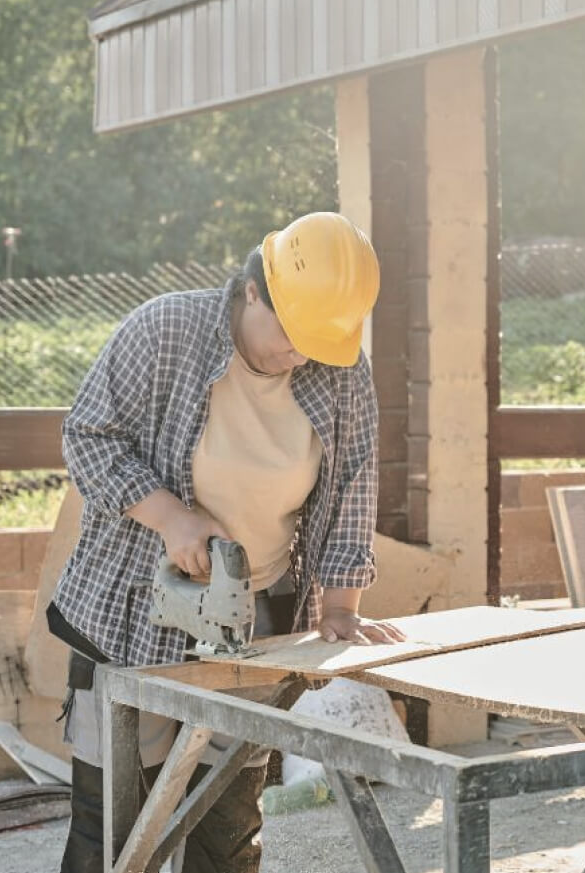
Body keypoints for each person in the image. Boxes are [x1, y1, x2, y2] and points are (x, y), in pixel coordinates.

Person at [49, 211, 407, 873]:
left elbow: (354, 483)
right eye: (292, 335)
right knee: (115, 834)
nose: (300, 355)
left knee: (229, 829)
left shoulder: (341, 370)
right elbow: (87, 438)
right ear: (253, 290)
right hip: (130, 612)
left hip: (253, 619)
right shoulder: (164, 331)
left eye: (317, 343)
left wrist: (340, 606)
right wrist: (171, 518)